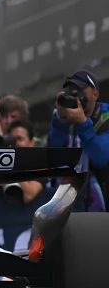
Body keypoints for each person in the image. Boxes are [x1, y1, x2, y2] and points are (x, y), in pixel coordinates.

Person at [48, 69, 108, 212]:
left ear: (95, 94)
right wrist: (60, 123)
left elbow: (101, 158)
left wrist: (82, 124)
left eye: (80, 90)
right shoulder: (64, 117)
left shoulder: (106, 115)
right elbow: (53, 157)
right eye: (71, 91)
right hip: (73, 197)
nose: (75, 95)